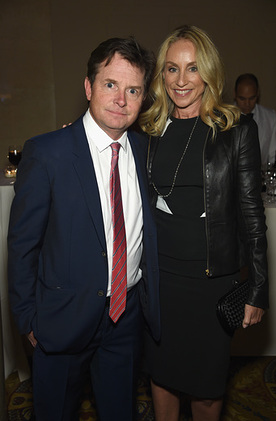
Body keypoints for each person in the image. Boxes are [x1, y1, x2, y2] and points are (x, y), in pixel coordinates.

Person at [8, 37, 160, 421]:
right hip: (60, 323)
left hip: (125, 321)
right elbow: (23, 245)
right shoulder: (47, 153)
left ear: (143, 98)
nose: (121, 99)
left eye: (133, 90)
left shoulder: (146, 153)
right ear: (89, 87)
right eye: (111, 84)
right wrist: (28, 320)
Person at [139, 25, 268, 421]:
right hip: (159, 280)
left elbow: (252, 214)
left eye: (192, 69)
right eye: (172, 69)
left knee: (208, 391)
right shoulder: (147, 130)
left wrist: (259, 288)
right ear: (161, 75)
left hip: (211, 284)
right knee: (161, 380)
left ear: (208, 72)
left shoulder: (236, 131)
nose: (181, 81)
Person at [234, 73, 276, 167]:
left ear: (258, 94)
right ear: (235, 95)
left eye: (252, 98)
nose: (247, 103)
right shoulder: (224, 118)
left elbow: (274, 153)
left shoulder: (270, 117)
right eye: (242, 98)